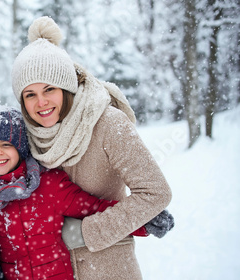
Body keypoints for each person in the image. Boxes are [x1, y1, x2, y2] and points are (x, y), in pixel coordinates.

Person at [11, 16, 173, 279]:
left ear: (66, 87)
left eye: (49, 89)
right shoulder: (25, 136)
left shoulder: (107, 123)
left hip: (108, 268)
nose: (41, 102)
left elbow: (156, 193)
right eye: (30, 94)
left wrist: (86, 233)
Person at [0, 104, 168, 280]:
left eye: (6, 145)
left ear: (20, 147)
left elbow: (94, 208)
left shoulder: (48, 185)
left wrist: (143, 221)